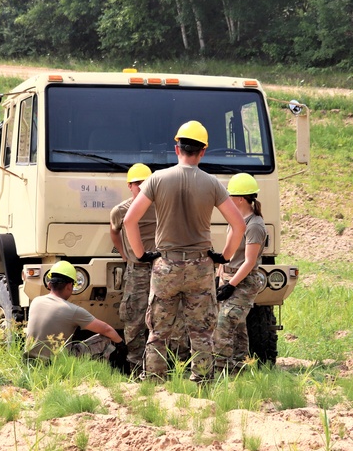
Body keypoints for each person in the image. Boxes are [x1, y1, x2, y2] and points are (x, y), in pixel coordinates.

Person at [123, 120, 246, 382]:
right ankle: (202, 383)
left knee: (159, 331)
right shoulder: (212, 184)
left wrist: (142, 255)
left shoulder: (157, 179)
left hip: (165, 266)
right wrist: (224, 256)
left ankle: (154, 384)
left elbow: (129, 220)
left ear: (177, 148)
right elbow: (238, 225)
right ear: (203, 152)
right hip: (201, 267)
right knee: (201, 332)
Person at [212, 173, 268, 374]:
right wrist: (220, 275)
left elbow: (249, 261)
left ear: (241, 199)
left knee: (224, 324)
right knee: (237, 328)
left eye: (231, 196)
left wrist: (231, 285)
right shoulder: (236, 220)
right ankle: (239, 369)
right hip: (229, 277)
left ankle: (221, 370)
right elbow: (228, 254)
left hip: (242, 281)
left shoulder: (254, 225)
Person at [109, 163, 157, 374]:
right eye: (137, 184)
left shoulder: (162, 206)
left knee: (163, 319)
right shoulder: (121, 210)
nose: (141, 187)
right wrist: (124, 254)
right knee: (134, 319)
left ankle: (160, 367)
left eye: (145, 183)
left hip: (160, 269)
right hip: (137, 270)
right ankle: (136, 368)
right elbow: (114, 232)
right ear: (130, 186)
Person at [25, 261, 124, 360]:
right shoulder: (72, 310)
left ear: (49, 284)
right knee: (106, 338)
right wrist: (121, 345)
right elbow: (107, 329)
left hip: (31, 361)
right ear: (69, 286)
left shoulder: (36, 301)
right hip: (58, 363)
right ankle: (105, 371)